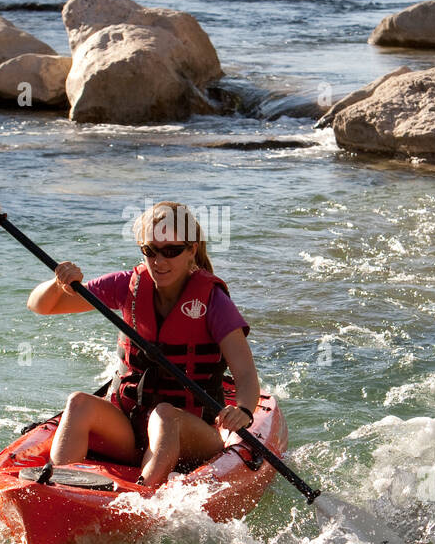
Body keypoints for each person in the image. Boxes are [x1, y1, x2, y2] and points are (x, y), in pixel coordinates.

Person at [27, 201, 260, 487]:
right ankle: (61, 489)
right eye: (150, 251)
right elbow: (41, 306)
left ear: (192, 250)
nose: (159, 261)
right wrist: (58, 283)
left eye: (171, 251)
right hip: (129, 428)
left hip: (191, 434)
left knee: (165, 415)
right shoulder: (128, 286)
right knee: (79, 403)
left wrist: (245, 411)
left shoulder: (213, 302)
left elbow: (246, 374)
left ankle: (140, 498)